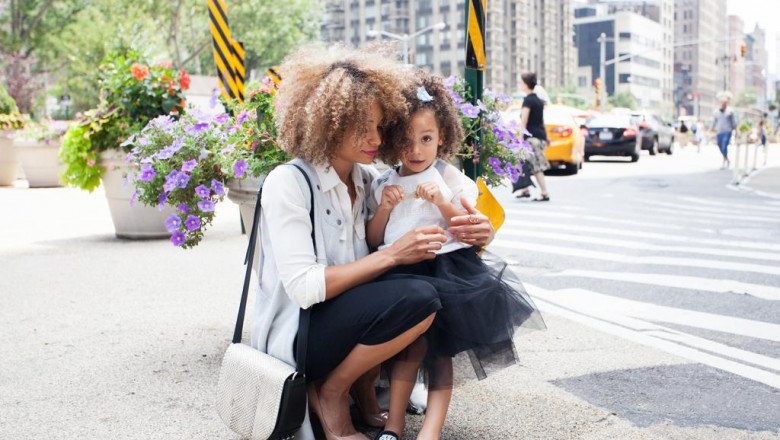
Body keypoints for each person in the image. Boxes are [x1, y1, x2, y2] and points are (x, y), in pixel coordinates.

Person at [250, 46, 496, 440]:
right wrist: (394, 255)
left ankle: (363, 392)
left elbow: (439, 209)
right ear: (329, 124)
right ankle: (330, 392)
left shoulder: (366, 180)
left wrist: (483, 231)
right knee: (417, 295)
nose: (375, 138)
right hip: (300, 333)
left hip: (344, 321)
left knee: (425, 292)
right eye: (363, 127)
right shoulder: (289, 182)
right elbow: (304, 288)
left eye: (380, 127)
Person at [366, 72, 545, 440]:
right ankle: (394, 424)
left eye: (426, 139)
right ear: (392, 141)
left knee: (440, 356)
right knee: (407, 351)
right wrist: (384, 208)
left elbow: (466, 230)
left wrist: (442, 202)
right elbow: (374, 238)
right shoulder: (384, 183)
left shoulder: (450, 178)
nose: (416, 151)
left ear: (442, 137)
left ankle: (430, 431)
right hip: (400, 274)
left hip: (446, 273)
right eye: (406, 141)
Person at [512, 72, 551, 201]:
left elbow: (524, 122)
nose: (520, 84)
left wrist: (519, 139)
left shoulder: (528, 101)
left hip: (531, 139)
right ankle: (525, 189)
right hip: (540, 136)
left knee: (536, 166)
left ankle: (545, 192)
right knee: (524, 163)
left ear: (525, 84)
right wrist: (547, 137)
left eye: (521, 82)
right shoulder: (539, 101)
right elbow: (542, 121)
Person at [712, 97, 737, 169]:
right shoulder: (716, 112)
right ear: (720, 103)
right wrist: (711, 129)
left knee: (724, 145)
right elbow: (714, 122)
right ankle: (727, 159)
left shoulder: (730, 111)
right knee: (720, 146)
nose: (723, 104)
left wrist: (736, 131)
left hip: (727, 131)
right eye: (722, 103)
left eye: (725, 103)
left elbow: (734, 122)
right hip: (719, 132)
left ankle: (724, 162)